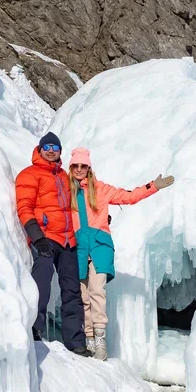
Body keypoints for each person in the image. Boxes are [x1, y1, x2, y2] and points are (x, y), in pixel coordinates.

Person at [68, 147, 174, 360]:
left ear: (89, 168)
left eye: (83, 166)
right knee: (82, 296)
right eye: (75, 166)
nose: (79, 169)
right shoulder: (65, 190)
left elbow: (129, 197)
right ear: (71, 168)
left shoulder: (100, 189)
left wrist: (153, 186)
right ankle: (88, 338)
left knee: (97, 290)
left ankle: (100, 341)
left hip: (99, 246)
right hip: (77, 248)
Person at [15, 132, 89, 355]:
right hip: (45, 238)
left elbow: (81, 203)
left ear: (59, 152)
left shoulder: (65, 177)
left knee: (72, 290)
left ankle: (76, 342)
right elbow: (24, 207)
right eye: (46, 146)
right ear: (39, 149)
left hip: (68, 240)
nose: (50, 150)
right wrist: (37, 237)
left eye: (54, 148)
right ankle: (34, 331)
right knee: (42, 282)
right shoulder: (29, 175)